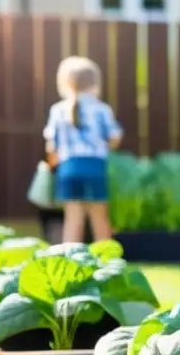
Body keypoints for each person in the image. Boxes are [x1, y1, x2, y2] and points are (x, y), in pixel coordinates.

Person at [43, 55, 123, 243]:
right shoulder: (102, 109)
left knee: (73, 220)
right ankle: (108, 262)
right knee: (99, 218)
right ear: (95, 84)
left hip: (69, 169)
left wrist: (52, 167)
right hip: (95, 167)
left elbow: (51, 146)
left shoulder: (58, 110)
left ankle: (72, 260)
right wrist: (104, 147)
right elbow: (115, 137)